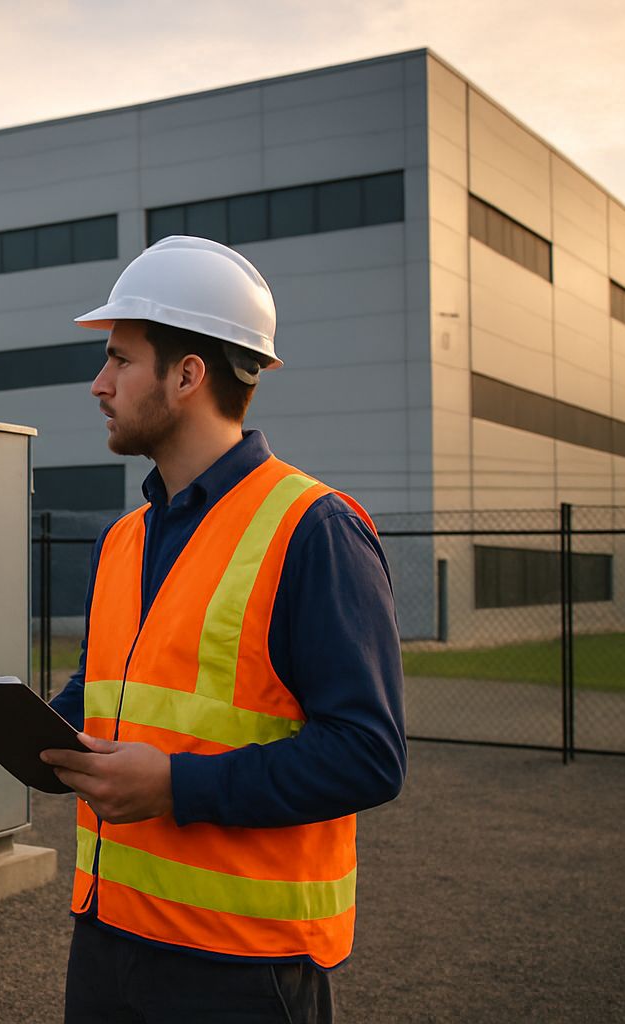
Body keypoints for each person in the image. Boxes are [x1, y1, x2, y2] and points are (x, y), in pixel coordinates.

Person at [41, 236, 407, 1023]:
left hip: (242, 971)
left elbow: (370, 756)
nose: (99, 384)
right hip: (107, 940)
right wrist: (25, 729)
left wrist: (176, 786)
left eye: (120, 360)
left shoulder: (313, 530)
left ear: (187, 375)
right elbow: (102, 699)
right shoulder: (124, 540)